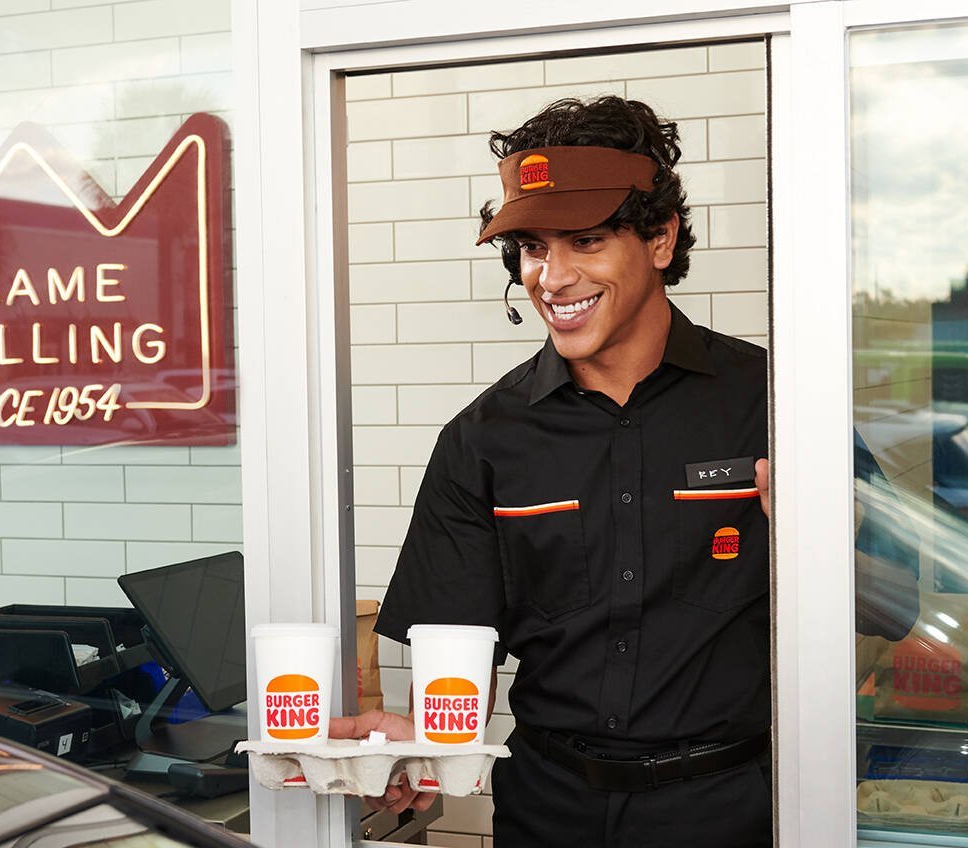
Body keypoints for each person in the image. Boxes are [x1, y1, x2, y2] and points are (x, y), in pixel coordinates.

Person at [331, 96, 773, 847]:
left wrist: (831, 536)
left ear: (660, 239)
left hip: (730, 807)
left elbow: (888, 610)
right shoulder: (481, 439)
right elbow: (455, 647)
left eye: (586, 241)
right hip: (546, 810)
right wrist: (422, 740)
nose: (553, 277)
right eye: (532, 247)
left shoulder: (772, 403)